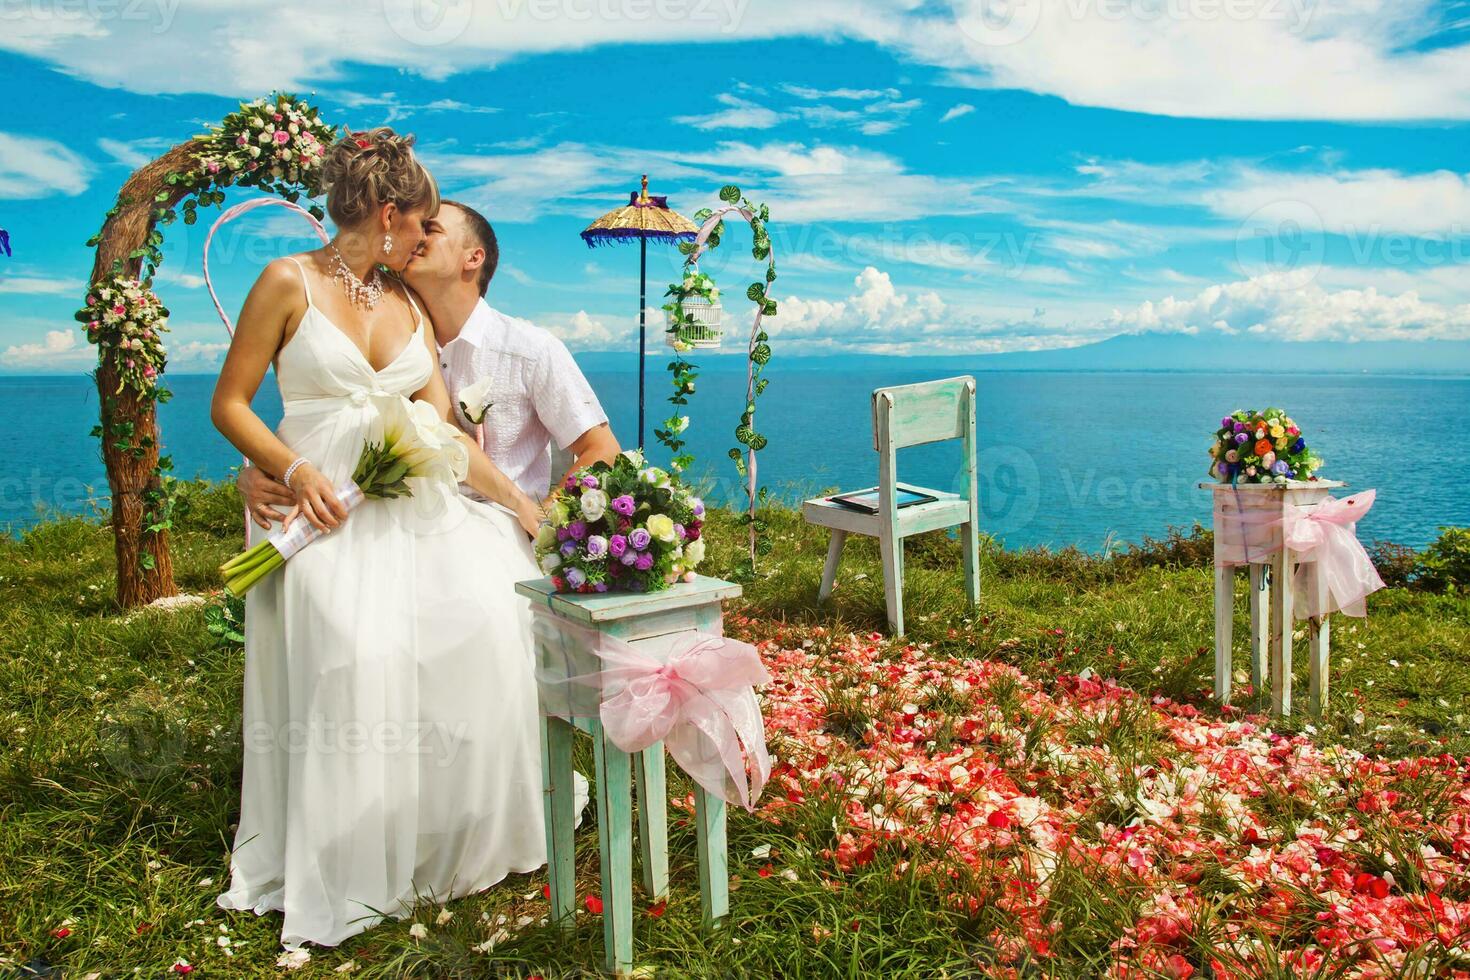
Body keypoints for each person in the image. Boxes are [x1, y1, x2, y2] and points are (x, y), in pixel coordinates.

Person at [210, 127, 565, 950]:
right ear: (391, 212)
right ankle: (346, 854)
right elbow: (229, 404)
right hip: (318, 515)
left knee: (487, 616)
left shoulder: (404, 303)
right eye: (423, 222)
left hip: (410, 508)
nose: (423, 237)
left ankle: (440, 832)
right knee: (355, 655)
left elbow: (440, 426)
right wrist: (288, 470)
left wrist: (516, 501)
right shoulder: (285, 281)